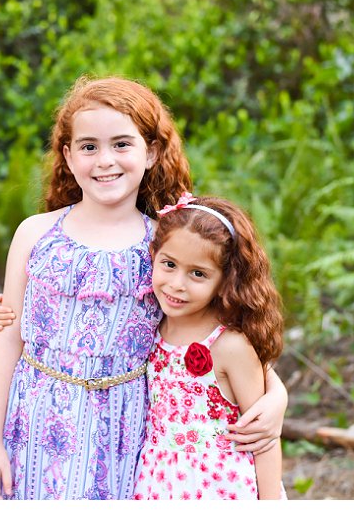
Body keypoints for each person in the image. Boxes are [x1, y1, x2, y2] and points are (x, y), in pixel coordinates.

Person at [0, 77, 287, 500]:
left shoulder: (165, 247)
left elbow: (219, 328)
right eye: (89, 147)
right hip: (35, 419)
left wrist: (277, 393)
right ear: (67, 156)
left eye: (122, 144)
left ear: (151, 151)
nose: (105, 160)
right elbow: (8, 337)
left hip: (126, 429)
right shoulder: (35, 234)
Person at [131, 194, 285, 500]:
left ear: (225, 280)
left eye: (198, 274)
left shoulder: (229, 345)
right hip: (159, 484)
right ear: (154, 255)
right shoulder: (152, 322)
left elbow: (263, 436)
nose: (177, 284)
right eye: (169, 264)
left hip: (220, 487)